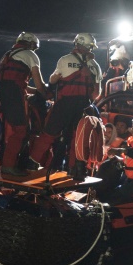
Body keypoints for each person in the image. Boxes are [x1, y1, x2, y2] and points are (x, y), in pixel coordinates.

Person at [27, 32, 103, 171]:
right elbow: (97, 93)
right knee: (76, 138)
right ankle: (75, 169)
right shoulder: (96, 66)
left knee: (49, 133)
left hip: (64, 104)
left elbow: (53, 80)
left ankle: (32, 162)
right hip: (84, 107)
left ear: (77, 44)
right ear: (90, 47)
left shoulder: (65, 60)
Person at [0, 32, 50, 176]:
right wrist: (47, 94)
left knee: (17, 129)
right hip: (14, 95)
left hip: (4, 93)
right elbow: (39, 85)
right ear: (31, 44)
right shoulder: (30, 55)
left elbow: (19, 83)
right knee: (21, 130)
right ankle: (8, 166)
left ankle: (10, 163)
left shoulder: (9, 55)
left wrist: (35, 91)